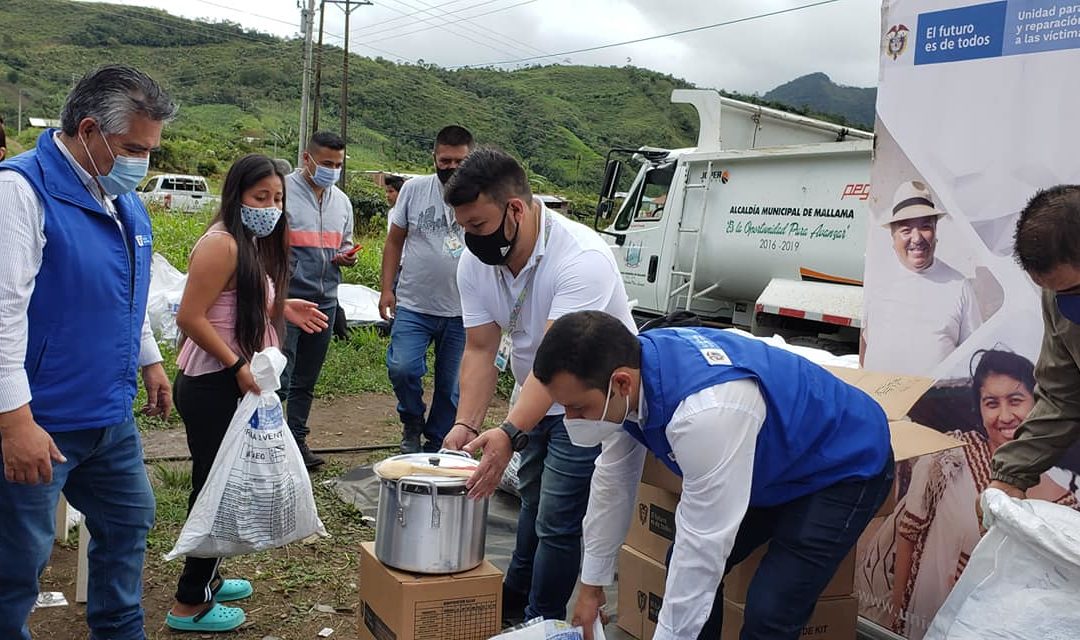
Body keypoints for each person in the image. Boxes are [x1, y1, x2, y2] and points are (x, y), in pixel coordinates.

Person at [530, 311, 895, 640]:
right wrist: (591, 586)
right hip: (776, 461)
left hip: (843, 463)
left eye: (578, 407)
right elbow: (613, 483)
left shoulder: (704, 412)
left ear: (621, 383)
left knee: (771, 609)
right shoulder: (631, 373)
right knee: (680, 564)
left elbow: (702, 548)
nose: (571, 420)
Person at [0, 64, 177, 640]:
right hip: (39, 422)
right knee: (15, 567)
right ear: (88, 128)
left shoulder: (121, 200)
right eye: (132, 148)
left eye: (150, 149)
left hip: (107, 418)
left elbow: (127, 289)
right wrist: (14, 423)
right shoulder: (20, 192)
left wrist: (149, 357)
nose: (142, 162)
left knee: (128, 526)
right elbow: (2, 315)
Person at [440, 147, 635, 625]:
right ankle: (514, 601)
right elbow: (482, 349)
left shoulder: (581, 258)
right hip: (531, 395)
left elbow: (560, 365)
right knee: (531, 502)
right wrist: (467, 422)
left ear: (515, 210)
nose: (472, 239)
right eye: (463, 227)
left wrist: (507, 433)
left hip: (587, 402)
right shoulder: (475, 264)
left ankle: (542, 622)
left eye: (479, 226)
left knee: (557, 518)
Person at [166, 155, 328, 632]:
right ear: (237, 195)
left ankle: (209, 579)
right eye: (261, 198)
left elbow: (237, 301)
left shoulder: (249, 242)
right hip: (214, 384)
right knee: (214, 492)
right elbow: (191, 317)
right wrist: (237, 366)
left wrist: (283, 305)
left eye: (277, 198)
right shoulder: (222, 245)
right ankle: (189, 602)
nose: (271, 207)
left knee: (226, 484)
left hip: (231, 383)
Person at [859, 349, 1079, 639]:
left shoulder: (1064, 504)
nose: (1004, 416)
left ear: (1039, 407)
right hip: (927, 622)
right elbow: (908, 537)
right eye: (991, 403)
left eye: (1015, 400)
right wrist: (897, 620)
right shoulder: (948, 461)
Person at [378, 126, 473, 454]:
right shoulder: (414, 190)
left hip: (462, 312)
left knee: (451, 387)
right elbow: (394, 241)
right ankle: (412, 421)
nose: (452, 167)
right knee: (402, 367)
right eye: (445, 160)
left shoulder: (483, 195)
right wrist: (386, 289)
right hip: (415, 304)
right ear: (434, 158)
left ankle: (436, 442)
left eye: (460, 161)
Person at [987, 184, 1080, 508]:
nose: (1068, 305)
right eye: (1058, 293)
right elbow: (1062, 398)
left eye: (1075, 291)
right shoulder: (1060, 298)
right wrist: (1009, 477)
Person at [281, 131, 356, 469]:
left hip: (324, 300)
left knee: (305, 380)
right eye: (326, 163)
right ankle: (267, 444)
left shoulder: (341, 201)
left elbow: (345, 241)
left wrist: (344, 256)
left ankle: (295, 442)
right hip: (286, 300)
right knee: (277, 376)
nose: (332, 170)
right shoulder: (281, 192)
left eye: (338, 165)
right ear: (306, 159)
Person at [862, 180, 982, 375]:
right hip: (880, 399)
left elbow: (974, 355)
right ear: (893, 237)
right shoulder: (876, 283)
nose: (917, 239)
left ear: (935, 232)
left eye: (925, 227)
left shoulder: (959, 286)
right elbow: (865, 342)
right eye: (906, 230)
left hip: (935, 402)